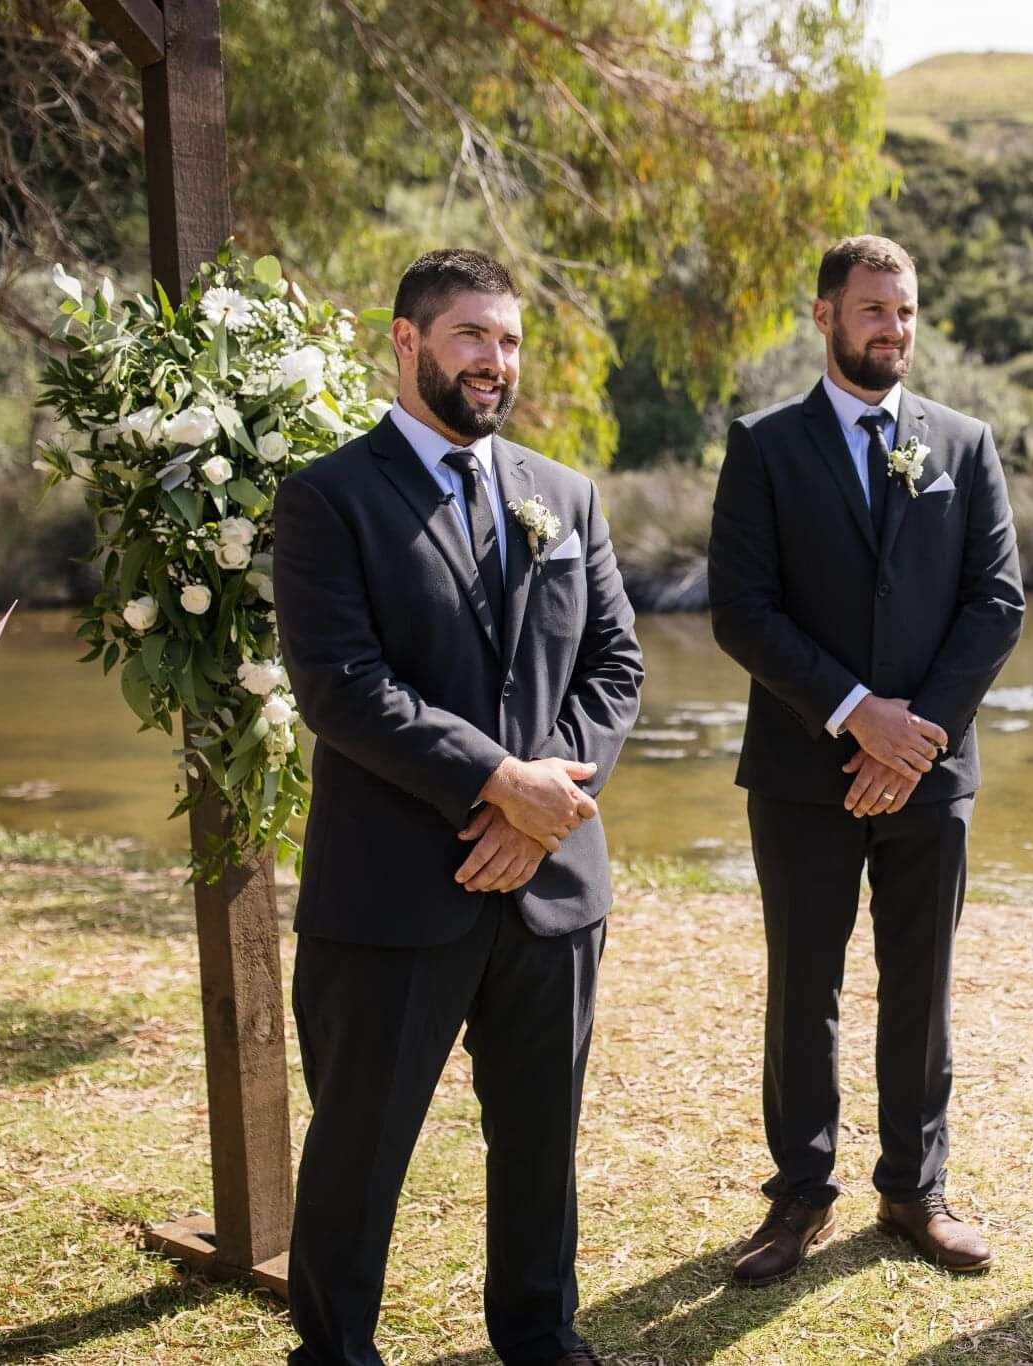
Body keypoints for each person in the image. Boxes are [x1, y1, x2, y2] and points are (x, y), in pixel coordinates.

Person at [274, 248, 643, 1365]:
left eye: (510, 340)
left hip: (552, 887)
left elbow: (615, 668)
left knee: (540, 1138)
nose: (496, 361)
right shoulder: (328, 497)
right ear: (407, 341)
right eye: (472, 335)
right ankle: (335, 1350)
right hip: (391, 888)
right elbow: (341, 684)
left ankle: (540, 1334)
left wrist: (544, 805)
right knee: (361, 1145)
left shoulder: (563, 495)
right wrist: (498, 784)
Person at [707, 234, 1025, 1285]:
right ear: (825, 315)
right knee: (804, 985)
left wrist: (913, 732)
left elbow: (995, 603)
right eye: (873, 309)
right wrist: (853, 714)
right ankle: (799, 1193)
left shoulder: (964, 443)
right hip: (803, 769)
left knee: (920, 984)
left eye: (906, 311)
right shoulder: (763, 446)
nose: (894, 328)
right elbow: (742, 610)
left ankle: (914, 1191)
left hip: (930, 768)